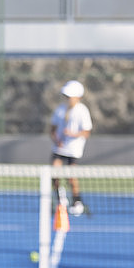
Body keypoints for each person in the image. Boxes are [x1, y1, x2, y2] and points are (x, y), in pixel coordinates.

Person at [49, 79, 93, 216]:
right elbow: (52, 129)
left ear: (78, 97)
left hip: (73, 149)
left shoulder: (82, 111)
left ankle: (76, 201)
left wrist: (73, 134)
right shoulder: (60, 109)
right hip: (59, 149)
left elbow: (86, 132)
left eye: (70, 96)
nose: (68, 99)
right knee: (54, 174)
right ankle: (60, 199)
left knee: (71, 177)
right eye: (67, 96)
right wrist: (57, 140)